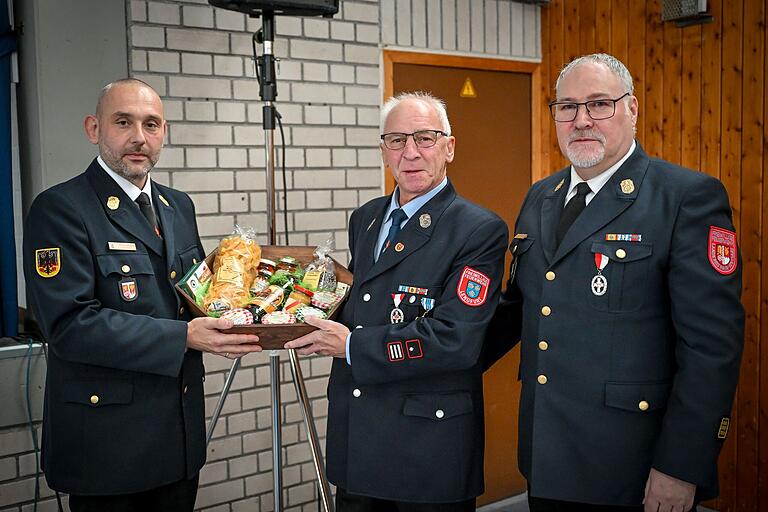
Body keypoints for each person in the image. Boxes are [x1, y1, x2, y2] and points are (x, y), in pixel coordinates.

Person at [485, 53, 745, 512]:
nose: (581, 120)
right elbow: (520, 307)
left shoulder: (685, 198)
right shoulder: (540, 196)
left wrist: (682, 464)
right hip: (546, 453)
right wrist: (414, 355)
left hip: (632, 463)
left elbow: (711, 348)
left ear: (632, 109)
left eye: (599, 104)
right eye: (567, 107)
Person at [23, 78, 262, 512]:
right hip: (108, 447)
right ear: (94, 129)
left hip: (178, 439)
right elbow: (69, 326)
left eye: (151, 124)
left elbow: (189, 296)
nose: (139, 137)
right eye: (123, 122)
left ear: (163, 133)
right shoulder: (61, 209)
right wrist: (186, 337)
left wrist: (242, 315)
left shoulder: (177, 205)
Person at [285, 92, 508, 511]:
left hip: (427, 449)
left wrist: (350, 345)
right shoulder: (366, 218)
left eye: (425, 138)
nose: (410, 153)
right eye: (396, 140)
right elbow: (365, 302)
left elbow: (455, 339)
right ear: (383, 150)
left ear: (449, 147)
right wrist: (288, 308)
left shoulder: (478, 229)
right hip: (359, 436)